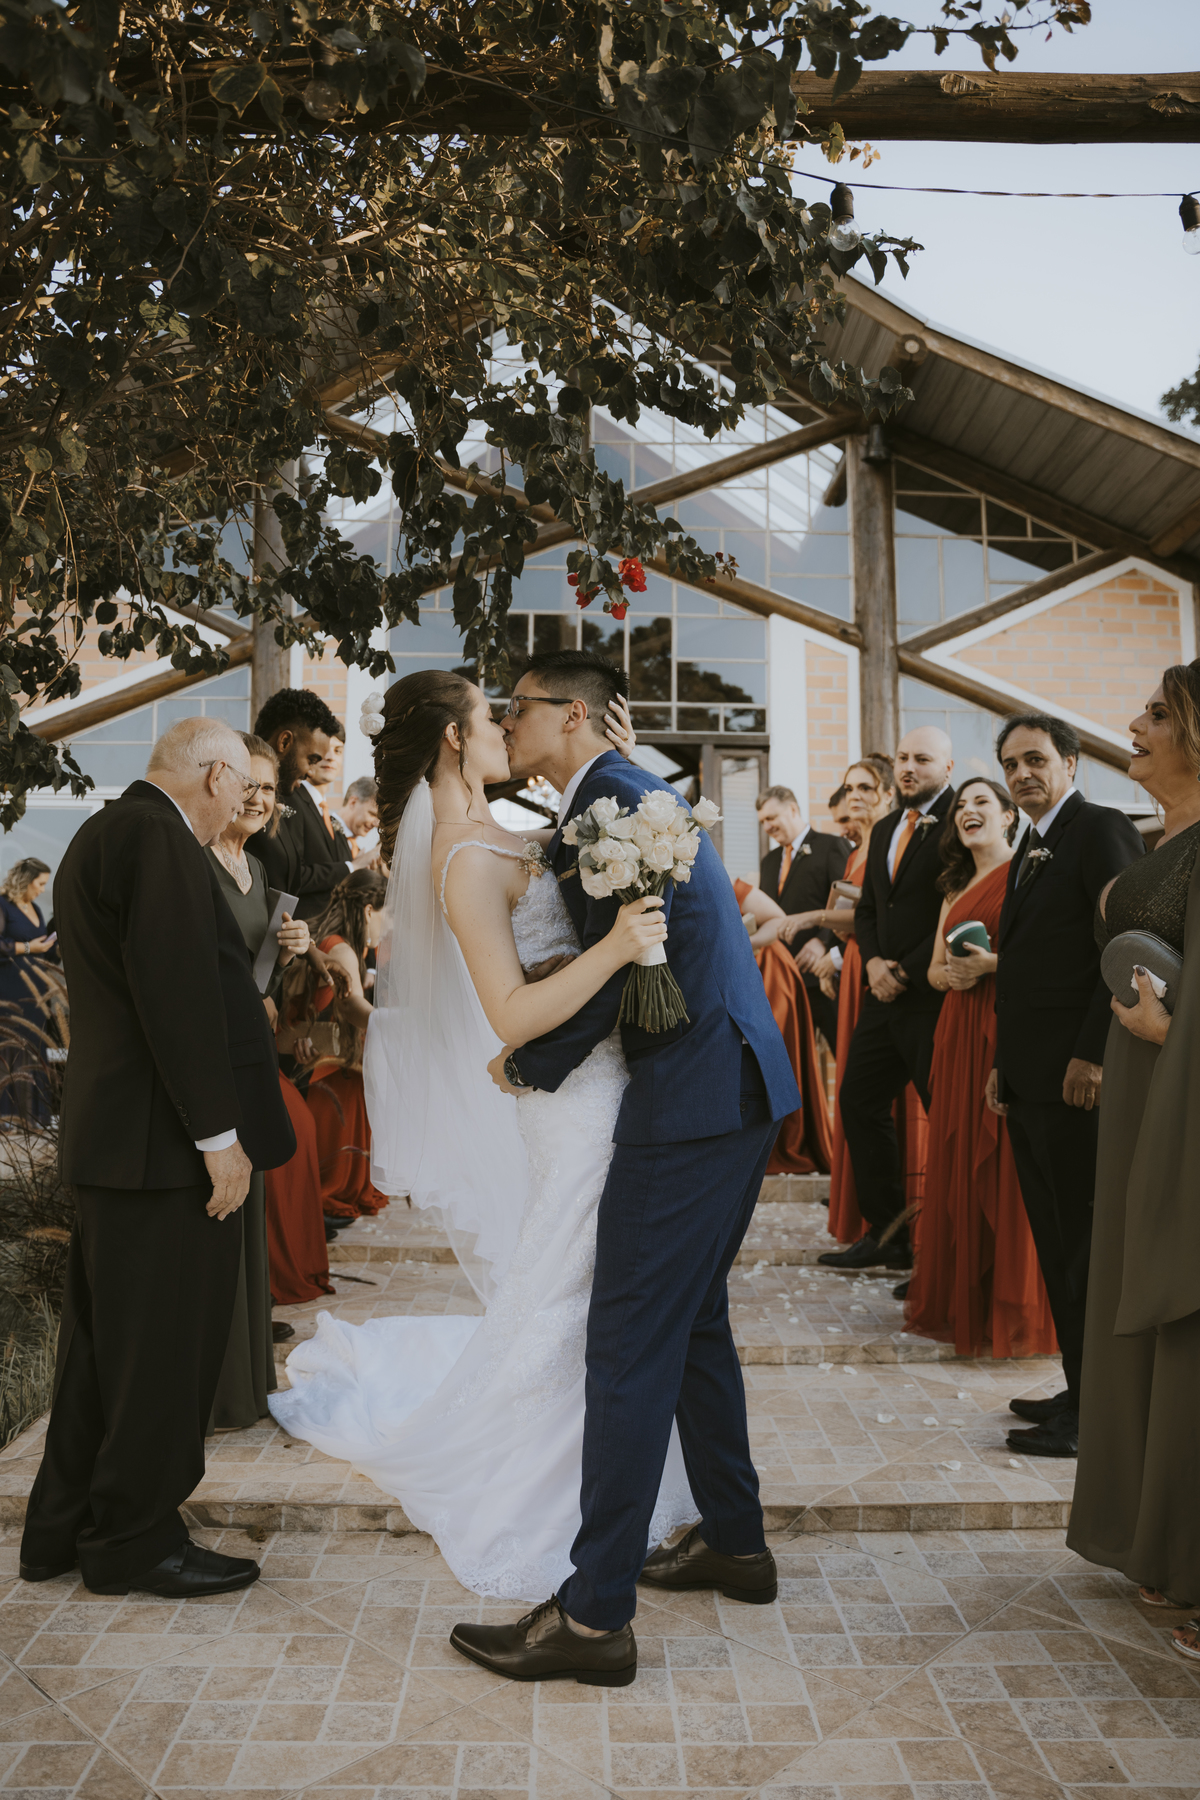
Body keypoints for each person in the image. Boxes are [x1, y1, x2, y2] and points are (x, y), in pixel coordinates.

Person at [274, 651, 797, 1687]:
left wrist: (531, 1061)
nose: (508, 723)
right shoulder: (610, 800)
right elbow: (605, 964)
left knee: (626, 1346)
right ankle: (736, 1543)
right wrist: (539, 1051)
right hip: (721, 1088)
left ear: (572, 716)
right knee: (691, 1323)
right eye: (495, 712)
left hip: (683, 1105)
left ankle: (595, 1618)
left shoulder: (613, 801)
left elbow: (634, 962)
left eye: (519, 708)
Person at [19, 719, 295, 1598]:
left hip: (121, 1144)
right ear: (213, 776)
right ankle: (133, 1541)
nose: (244, 801)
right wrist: (219, 1140)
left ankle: (62, 1529)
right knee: (162, 1358)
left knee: (106, 1353)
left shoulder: (106, 830)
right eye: (241, 783)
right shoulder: (159, 839)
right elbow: (176, 998)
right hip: (162, 1148)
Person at [1067, 664, 1200, 1652]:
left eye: (1157, 712)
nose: (1134, 723)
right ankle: (1156, 1534)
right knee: (1132, 1288)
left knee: (1179, 1291)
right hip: (1146, 1089)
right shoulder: (1163, 840)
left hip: (1179, 1089)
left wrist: (1172, 1029)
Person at [989, 713, 1144, 1457]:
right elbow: (1027, 964)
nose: (1021, 773)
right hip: (1030, 1078)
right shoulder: (1029, 843)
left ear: (1071, 762)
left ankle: (1096, 1415)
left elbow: (1123, 944)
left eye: (1035, 759)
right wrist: (1003, 1061)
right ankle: (1080, 1386)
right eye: (1010, 764)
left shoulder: (1100, 828)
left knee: (1084, 1249)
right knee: (1056, 1246)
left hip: (1077, 1080)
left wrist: (1093, 1054)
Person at [904, 779, 1056, 1358]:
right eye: (961, 806)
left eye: (981, 802)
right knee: (959, 1153)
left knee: (1008, 1163)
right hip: (957, 1032)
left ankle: (1012, 1306)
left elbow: (1047, 956)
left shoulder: (1029, 873)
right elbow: (933, 971)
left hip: (1004, 1025)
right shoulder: (953, 888)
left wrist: (990, 966)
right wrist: (952, 975)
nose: (967, 811)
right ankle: (964, 1299)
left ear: (1009, 816)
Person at [204, 733, 315, 1426]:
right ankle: (210, 1388)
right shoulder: (193, 862)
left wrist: (292, 948)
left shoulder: (260, 872)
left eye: (269, 789)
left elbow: (263, 981)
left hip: (252, 1062)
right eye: (248, 783)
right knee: (214, 1214)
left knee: (250, 1213)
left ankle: (245, 1383)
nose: (258, 798)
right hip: (209, 1062)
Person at [819, 728, 955, 1273]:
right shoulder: (888, 827)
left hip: (931, 995)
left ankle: (948, 1250)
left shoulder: (959, 820)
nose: (909, 767)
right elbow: (871, 908)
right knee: (858, 1101)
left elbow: (958, 904)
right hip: (881, 994)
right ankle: (889, 1234)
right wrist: (874, 963)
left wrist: (905, 969)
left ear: (947, 768)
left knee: (947, 1116)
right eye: (902, 757)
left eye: (922, 758)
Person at [290, 869, 391, 1222]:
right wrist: (396, 1026)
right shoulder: (343, 949)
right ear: (368, 910)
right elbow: (351, 1008)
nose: (389, 926)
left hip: (320, 1053)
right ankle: (334, 1191)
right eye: (388, 915)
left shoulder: (333, 939)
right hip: (324, 1065)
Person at [247, 690, 376, 921]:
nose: (309, 772)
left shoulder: (279, 802)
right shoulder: (247, 804)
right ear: (284, 742)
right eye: (311, 759)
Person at [756, 785, 849, 1047]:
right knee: (792, 1057)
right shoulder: (769, 861)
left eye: (771, 818)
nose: (767, 826)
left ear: (793, 809)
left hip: (822, 975)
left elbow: (846, 904)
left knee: (843, 1049)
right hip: (783, 979)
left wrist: (823, 941)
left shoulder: (832, 846)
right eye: (762, 822)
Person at [0, 856, 57, 1123]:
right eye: (40, 883)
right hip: (9, 991)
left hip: (35, 995)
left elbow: (41, 949)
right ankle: (8, 1117)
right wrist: (28, 947)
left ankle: (33, 1116)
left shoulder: (34, 908)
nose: (43, 889)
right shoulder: (3, 905)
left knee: (34, 1050)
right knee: (10, 1049)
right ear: (26, 880)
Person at [338, 775, 380, 856]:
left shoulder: (356, 850)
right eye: (372, 814)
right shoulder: (323, 831)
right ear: (353, 802)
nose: (376, 824)